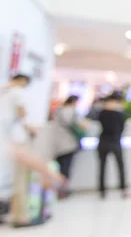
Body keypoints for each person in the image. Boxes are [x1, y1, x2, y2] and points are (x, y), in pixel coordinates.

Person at [0, 74, 65, 227]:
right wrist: (51, 174)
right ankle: (21, 217)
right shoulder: (17, 93)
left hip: (12, 142)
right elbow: (22, 115)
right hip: (15, 141)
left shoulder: (5, 91)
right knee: (21, 179)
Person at [51, 95, 86, 198]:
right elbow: (82, 125)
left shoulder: (58, 111)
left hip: (56, 143)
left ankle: (57, 189)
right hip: (68, 143)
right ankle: (63, 191)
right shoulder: (73, 113)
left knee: (59, 167)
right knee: (66, 168)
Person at [97, 92, 129, 199]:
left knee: (102, 166)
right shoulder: (119, 114)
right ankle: (123, 188)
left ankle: (102, 190)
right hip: (115, 141)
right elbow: (122, 128)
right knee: (120, 166)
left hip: (103, 141)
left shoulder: (102, 112)